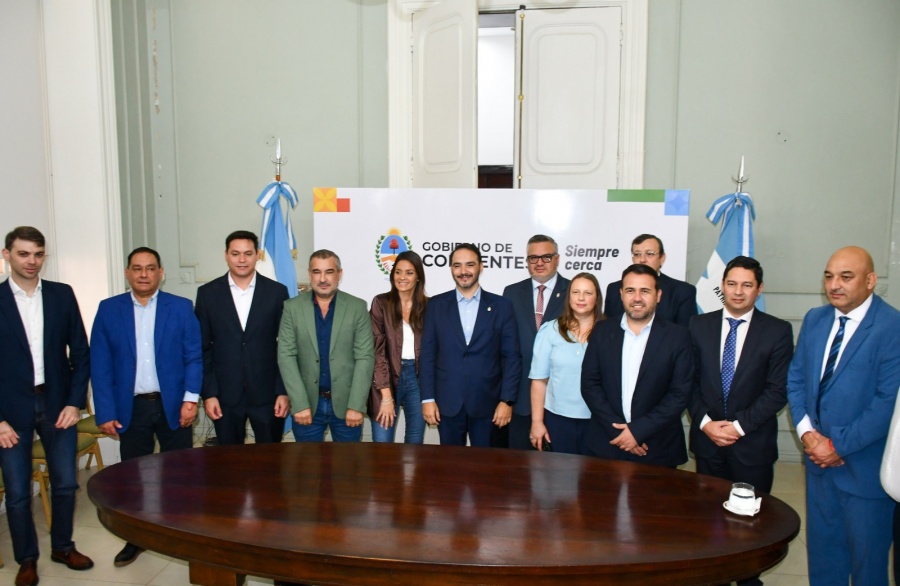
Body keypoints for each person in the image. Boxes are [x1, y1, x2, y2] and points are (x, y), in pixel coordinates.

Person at [787, 246, 900, 585]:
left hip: (865, 471)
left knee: (868, 566)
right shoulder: (815, 319)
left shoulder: (892, 326)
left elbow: (887, 402)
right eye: (829, 276)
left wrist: (837, 446)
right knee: (824, 561)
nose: (834, 285)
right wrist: (808, 435)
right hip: (818, 466)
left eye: (846, 277)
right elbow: (796, 379)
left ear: (871, 280)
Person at [91, 246, 203, 568]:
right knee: (133, 477)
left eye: (150, 268)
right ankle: (136, 537)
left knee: (179, 475)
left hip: (173, 406)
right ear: (127, 273)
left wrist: (190, 400)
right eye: (137, 268)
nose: (144, 274)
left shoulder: (180, 307)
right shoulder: (109, 309)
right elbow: (100, 364)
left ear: (160, 273)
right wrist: (106, 412)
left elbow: (193, 357)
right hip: (131, 408)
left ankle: (181, 533)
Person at [688, 256, 793, 586]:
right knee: (709, 519)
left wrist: (738, 427)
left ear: (759, 289)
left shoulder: (777, 331)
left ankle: (748, 579)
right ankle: (715, 576)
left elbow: (777, 391)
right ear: (722, 286)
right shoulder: (698, 326)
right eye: (732, 284)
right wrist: (705, 423)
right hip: (708, 442)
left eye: (747, 285)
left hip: (752, 445)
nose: (738, 291)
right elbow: (687, 383)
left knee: (751, 525)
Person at [0, 226, 93, 586]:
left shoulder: (61, 294)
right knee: (18, 493)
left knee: (66, 483)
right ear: (7, 255)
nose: (32, 261)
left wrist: (74, 403)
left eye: (38, 254)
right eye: (23, 254)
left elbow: (80, 353)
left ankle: (63, 547)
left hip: (57, 406)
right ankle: (27, 559)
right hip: (10, 413)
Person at [581, 264, 693, 467]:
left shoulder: (678, 336)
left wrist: (637, 432)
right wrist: (620, 432)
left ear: (658, 295)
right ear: (621, 294)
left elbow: (680, 394)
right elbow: (590, 385)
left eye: (645, 291)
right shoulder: (602, 331)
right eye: (630, 290)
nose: (637, 298)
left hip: (657, 448)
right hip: (607, 443)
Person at [419, 243, 520, 447]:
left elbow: (511, 357)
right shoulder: (436, 306)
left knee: (486, 463)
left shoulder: (502, 306)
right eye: (457, 266)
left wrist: (507, 401)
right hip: (447, 403)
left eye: (470, 265)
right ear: (451, 269)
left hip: (489, 404)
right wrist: (427, 399)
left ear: (481, 267)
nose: (463, 271)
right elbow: (428, 355)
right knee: (450, 463)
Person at [194, 230, 290, 445]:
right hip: (225, 397)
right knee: (230, 461)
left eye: (248, 253)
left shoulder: (277, 293)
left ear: (257, 255)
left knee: (271, 460)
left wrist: (283, 391)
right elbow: (203, 348)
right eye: (235, 253)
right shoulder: (207, 294)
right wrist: (209, 394)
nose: (242, 260)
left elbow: (286, 347)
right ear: (226, 255)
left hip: (268, 396)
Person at [277, 250, 374, 443]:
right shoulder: (292, 307)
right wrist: (299, 403)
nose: (323, 279)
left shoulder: (357, 307)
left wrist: (356, 405)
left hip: (347, 405)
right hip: (307, 404)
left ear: (339, 274)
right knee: (307, 461)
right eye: (317, 272)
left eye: (329, 272)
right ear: (309, 274)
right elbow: (286, 355)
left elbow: (365, 357)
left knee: (348, 461)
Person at [503, 234, 570, 450]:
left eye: (546, 257)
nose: (539, 263)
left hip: (560, 399)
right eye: (533, 258)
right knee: (519, 465)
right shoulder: (511, 293)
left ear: (557, 259)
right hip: (521, 397)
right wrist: (506, 398)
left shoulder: (573, 292)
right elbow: (506, 348)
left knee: (559, 465)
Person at [529, 272, 604, 455]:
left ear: (597, 298)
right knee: (559, 472)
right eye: (575, 292)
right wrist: (537, 422)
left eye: (588, 293)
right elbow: (539, 380)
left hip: (598, 421)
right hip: (557, 420)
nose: (581, 298)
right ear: (568, 297)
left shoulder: (610, 332)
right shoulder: (550, 330)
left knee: (595, 472)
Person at [369, 250, 428, 443]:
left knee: (415, 441)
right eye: (398, 272)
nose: (402, 277)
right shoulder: (381, 303)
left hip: (418, 379)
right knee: (382, 443)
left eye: (409, 272)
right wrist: (386, 395)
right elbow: (377, 351)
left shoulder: (429, 306)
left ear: (418, 276)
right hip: (385, 376)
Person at [604, 233, 697, 327]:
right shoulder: (614, 289)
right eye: (637, 254)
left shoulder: (682, 291)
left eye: (649, 254)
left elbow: (684, 332)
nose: (642, 259)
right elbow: (608, 329)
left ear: (662, 258)